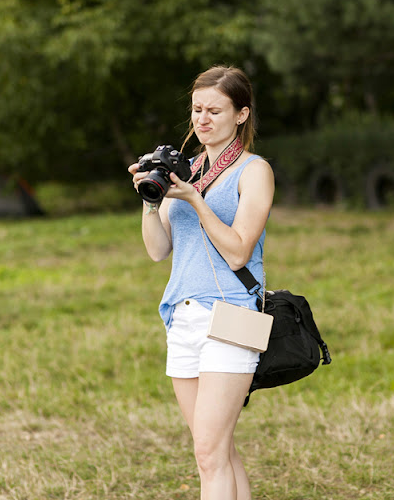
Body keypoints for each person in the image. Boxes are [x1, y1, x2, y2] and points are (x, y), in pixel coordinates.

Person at [128, 65, 275, 500]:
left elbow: (238, 250)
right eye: (197, 109)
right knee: (216, 451)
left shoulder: (253, 171)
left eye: (215, 110)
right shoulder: (183, 169)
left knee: (209, 452)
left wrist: (194, 197)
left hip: (234, 315)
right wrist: (150, 201)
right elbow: (158, 251)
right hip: (183, 316)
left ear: (241, 114)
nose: (202, 119)